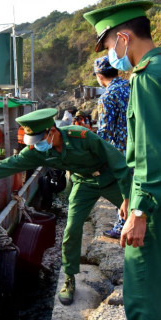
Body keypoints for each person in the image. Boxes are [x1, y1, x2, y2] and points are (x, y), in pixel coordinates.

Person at [0, 108, 132, 305]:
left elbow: (117, 161)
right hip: (84, 184)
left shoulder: (83, 137)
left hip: (111, 179)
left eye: (40, 140)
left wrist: (127, 197)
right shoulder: (39, 151)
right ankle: (69, 278)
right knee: (71, 229)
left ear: (52, 131)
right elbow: (9, 165)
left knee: (144, 215)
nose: (38, 145)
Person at [84, 2, 161, 318]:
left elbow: (150, 152)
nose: (109, 54)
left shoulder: (145, 78)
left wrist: (139, 210)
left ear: (124, 39)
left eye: (108, 45)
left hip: (154, 206)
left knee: (143, 296)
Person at [93, 55, 130, 239]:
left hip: (122, 150)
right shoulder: (129, 86)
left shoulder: (107, 96)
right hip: (140, 145)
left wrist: (97, 155)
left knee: (123, 189)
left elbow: (105, 131)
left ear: (99, 75)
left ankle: (122, 226)